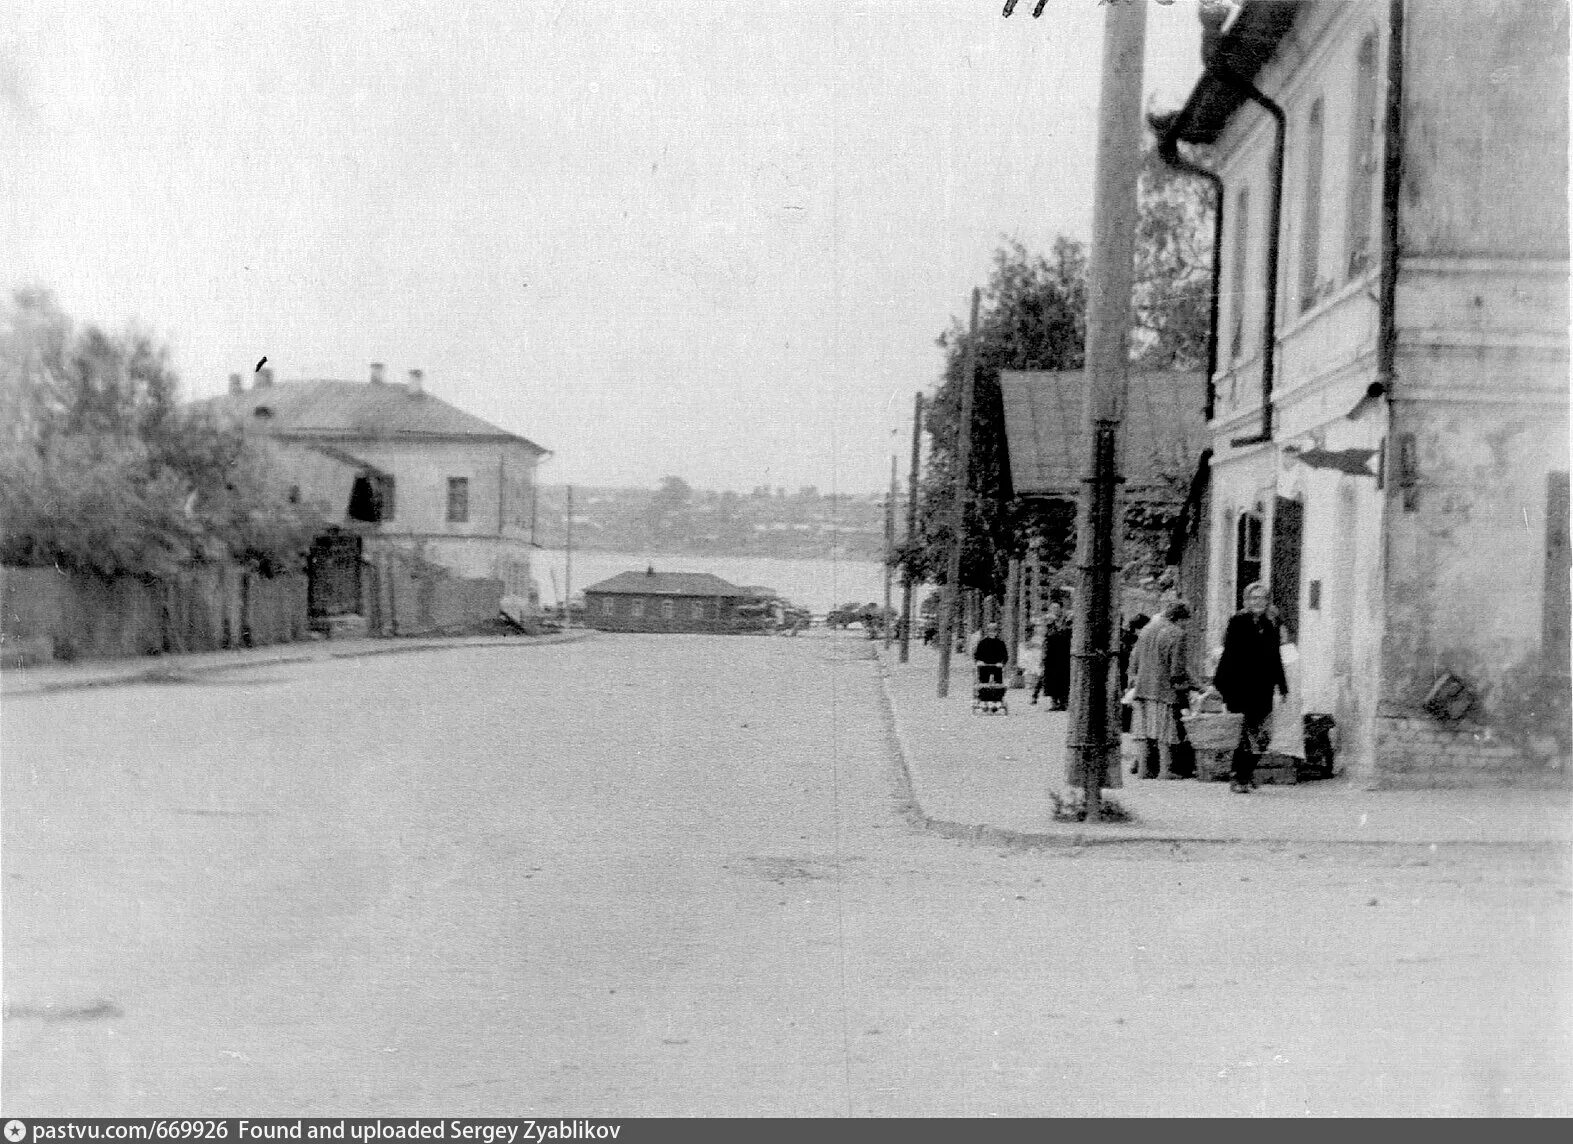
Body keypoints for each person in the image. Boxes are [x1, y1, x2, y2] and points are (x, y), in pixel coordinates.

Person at [1213, 581, 1289, 793]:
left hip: (1263, 687)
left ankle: (1245, 772)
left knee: (1263, 735)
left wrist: (1282, 687)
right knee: (1247, 733)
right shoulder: (1238, 622)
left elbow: (1275, 657)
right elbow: (1229, 655)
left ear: (1267, 601)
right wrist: (1223, 686)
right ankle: (1239, 776)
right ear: (1246, 601)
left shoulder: (1270, 623)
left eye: (1262, 598)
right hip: (1241, 686)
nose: (1258, 602)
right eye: (1254, 598)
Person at [1128, 599, 1194, 779]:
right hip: (1162, 688)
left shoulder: (1147, 629)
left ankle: (1143, 769)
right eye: (1186, 620)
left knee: (1143, 730)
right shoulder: (1177, 633)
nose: (1186, 625)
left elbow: (1134, 659)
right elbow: (1177, 670)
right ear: (1180, 618)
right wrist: (1190, 686)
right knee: (1165, 730)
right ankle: (1166, 770)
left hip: (1142, 686)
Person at [1032, 601, 1072, 709]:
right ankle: (1054, 702)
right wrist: (1043, 656)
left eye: (1057, 608)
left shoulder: (1066, 621)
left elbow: (1068, 634)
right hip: (1051, 655)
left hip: (1063, 654)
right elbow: (1044, 638)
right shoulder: (1048, 623)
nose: (1055, 610)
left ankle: (1064, 701)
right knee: (1051, 679)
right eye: (1053, 608)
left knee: (1064, 678)